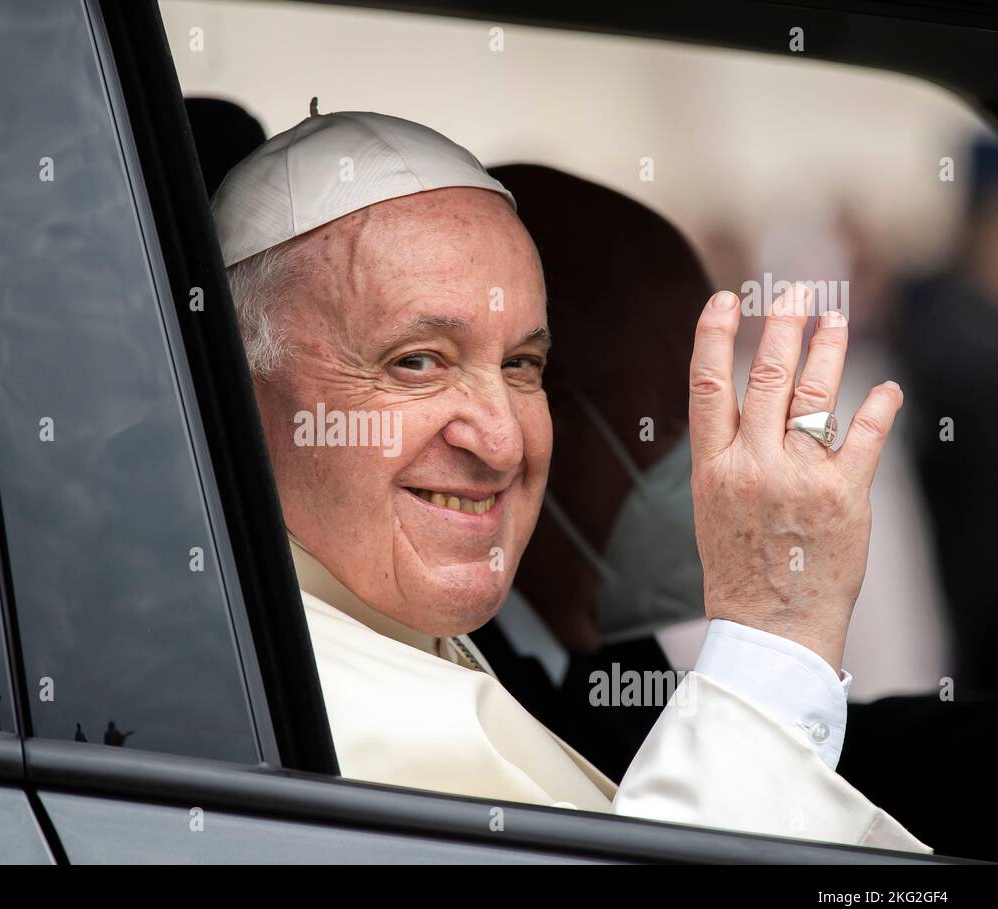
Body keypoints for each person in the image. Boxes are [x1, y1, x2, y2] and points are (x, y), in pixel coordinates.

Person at [211, 107, 927, 852]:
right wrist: (774, 636)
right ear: (238, 389)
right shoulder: (277, 705)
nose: (500, 441)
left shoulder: (406, 630)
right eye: (417, 362)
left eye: (522, 364)